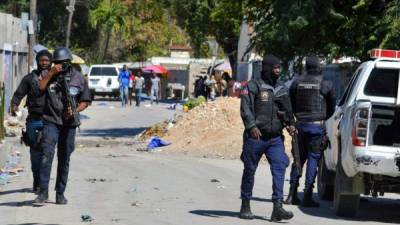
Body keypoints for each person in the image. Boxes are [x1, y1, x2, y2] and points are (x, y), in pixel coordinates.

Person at [239, 55, 296, 222]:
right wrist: (251, 127)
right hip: (255, 137)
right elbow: (245, 108)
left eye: (280, 68)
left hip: (275, 138)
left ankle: (277, 207)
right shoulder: (253, 85)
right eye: (275, 68)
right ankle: (245, 205)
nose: (278, 71)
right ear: (267, 68)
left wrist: (290, 124)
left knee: (280, 165)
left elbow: (286, 111)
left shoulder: (282, 88)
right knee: (250, 169)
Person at [34, 47, 91, 205]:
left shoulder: (78, 78)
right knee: (46, 154)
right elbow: (39, 88)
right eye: (57, 63)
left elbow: (85, 101)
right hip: (51, 120)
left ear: (69, 62)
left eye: (63, 63)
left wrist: (74, 110)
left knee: (64, 157)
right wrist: (52, 73)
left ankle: (60, 193)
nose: (60, 66)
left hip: (69, 124)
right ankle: (43, 193)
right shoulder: (48, 74)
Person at [285, 56, 336, 207]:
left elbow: (291, 105)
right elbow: (331, 107)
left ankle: (291, 195)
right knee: (313, 159)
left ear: (306, 67)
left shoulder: (296, 83)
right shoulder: (326, 84)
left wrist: (299, 117)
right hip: (316, 127)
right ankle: (307, 196)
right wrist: (321, 118)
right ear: (319, 67)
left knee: (298, 159)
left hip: (300, 126)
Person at [10, 49, 52, 194]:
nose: (44, 63)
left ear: (51, 62)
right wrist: (14, 105)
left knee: (47, 152)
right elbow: (18, 94)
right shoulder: (29, 78)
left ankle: (43, 183)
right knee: (35, 153)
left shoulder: (55, 78)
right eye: (42, 60)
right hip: (33, 121)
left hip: (50, 121)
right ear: (38, 62)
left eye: (47, 60)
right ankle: (36, 180)